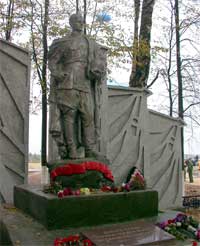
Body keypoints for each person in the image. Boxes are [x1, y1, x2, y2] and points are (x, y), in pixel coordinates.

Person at [48, 13, 107, 159]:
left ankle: (89, 149)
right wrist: (58, 74)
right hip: (68, 84)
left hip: (86, 84)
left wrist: (98, 69)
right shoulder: (63, 42)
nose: (81, 23)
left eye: (82, 21)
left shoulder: (90, 43)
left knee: (88, 117)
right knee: (69, 118)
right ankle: (71, 150)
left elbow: (100, 60)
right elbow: (52, 62)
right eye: (78, 21)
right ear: (71, 23)